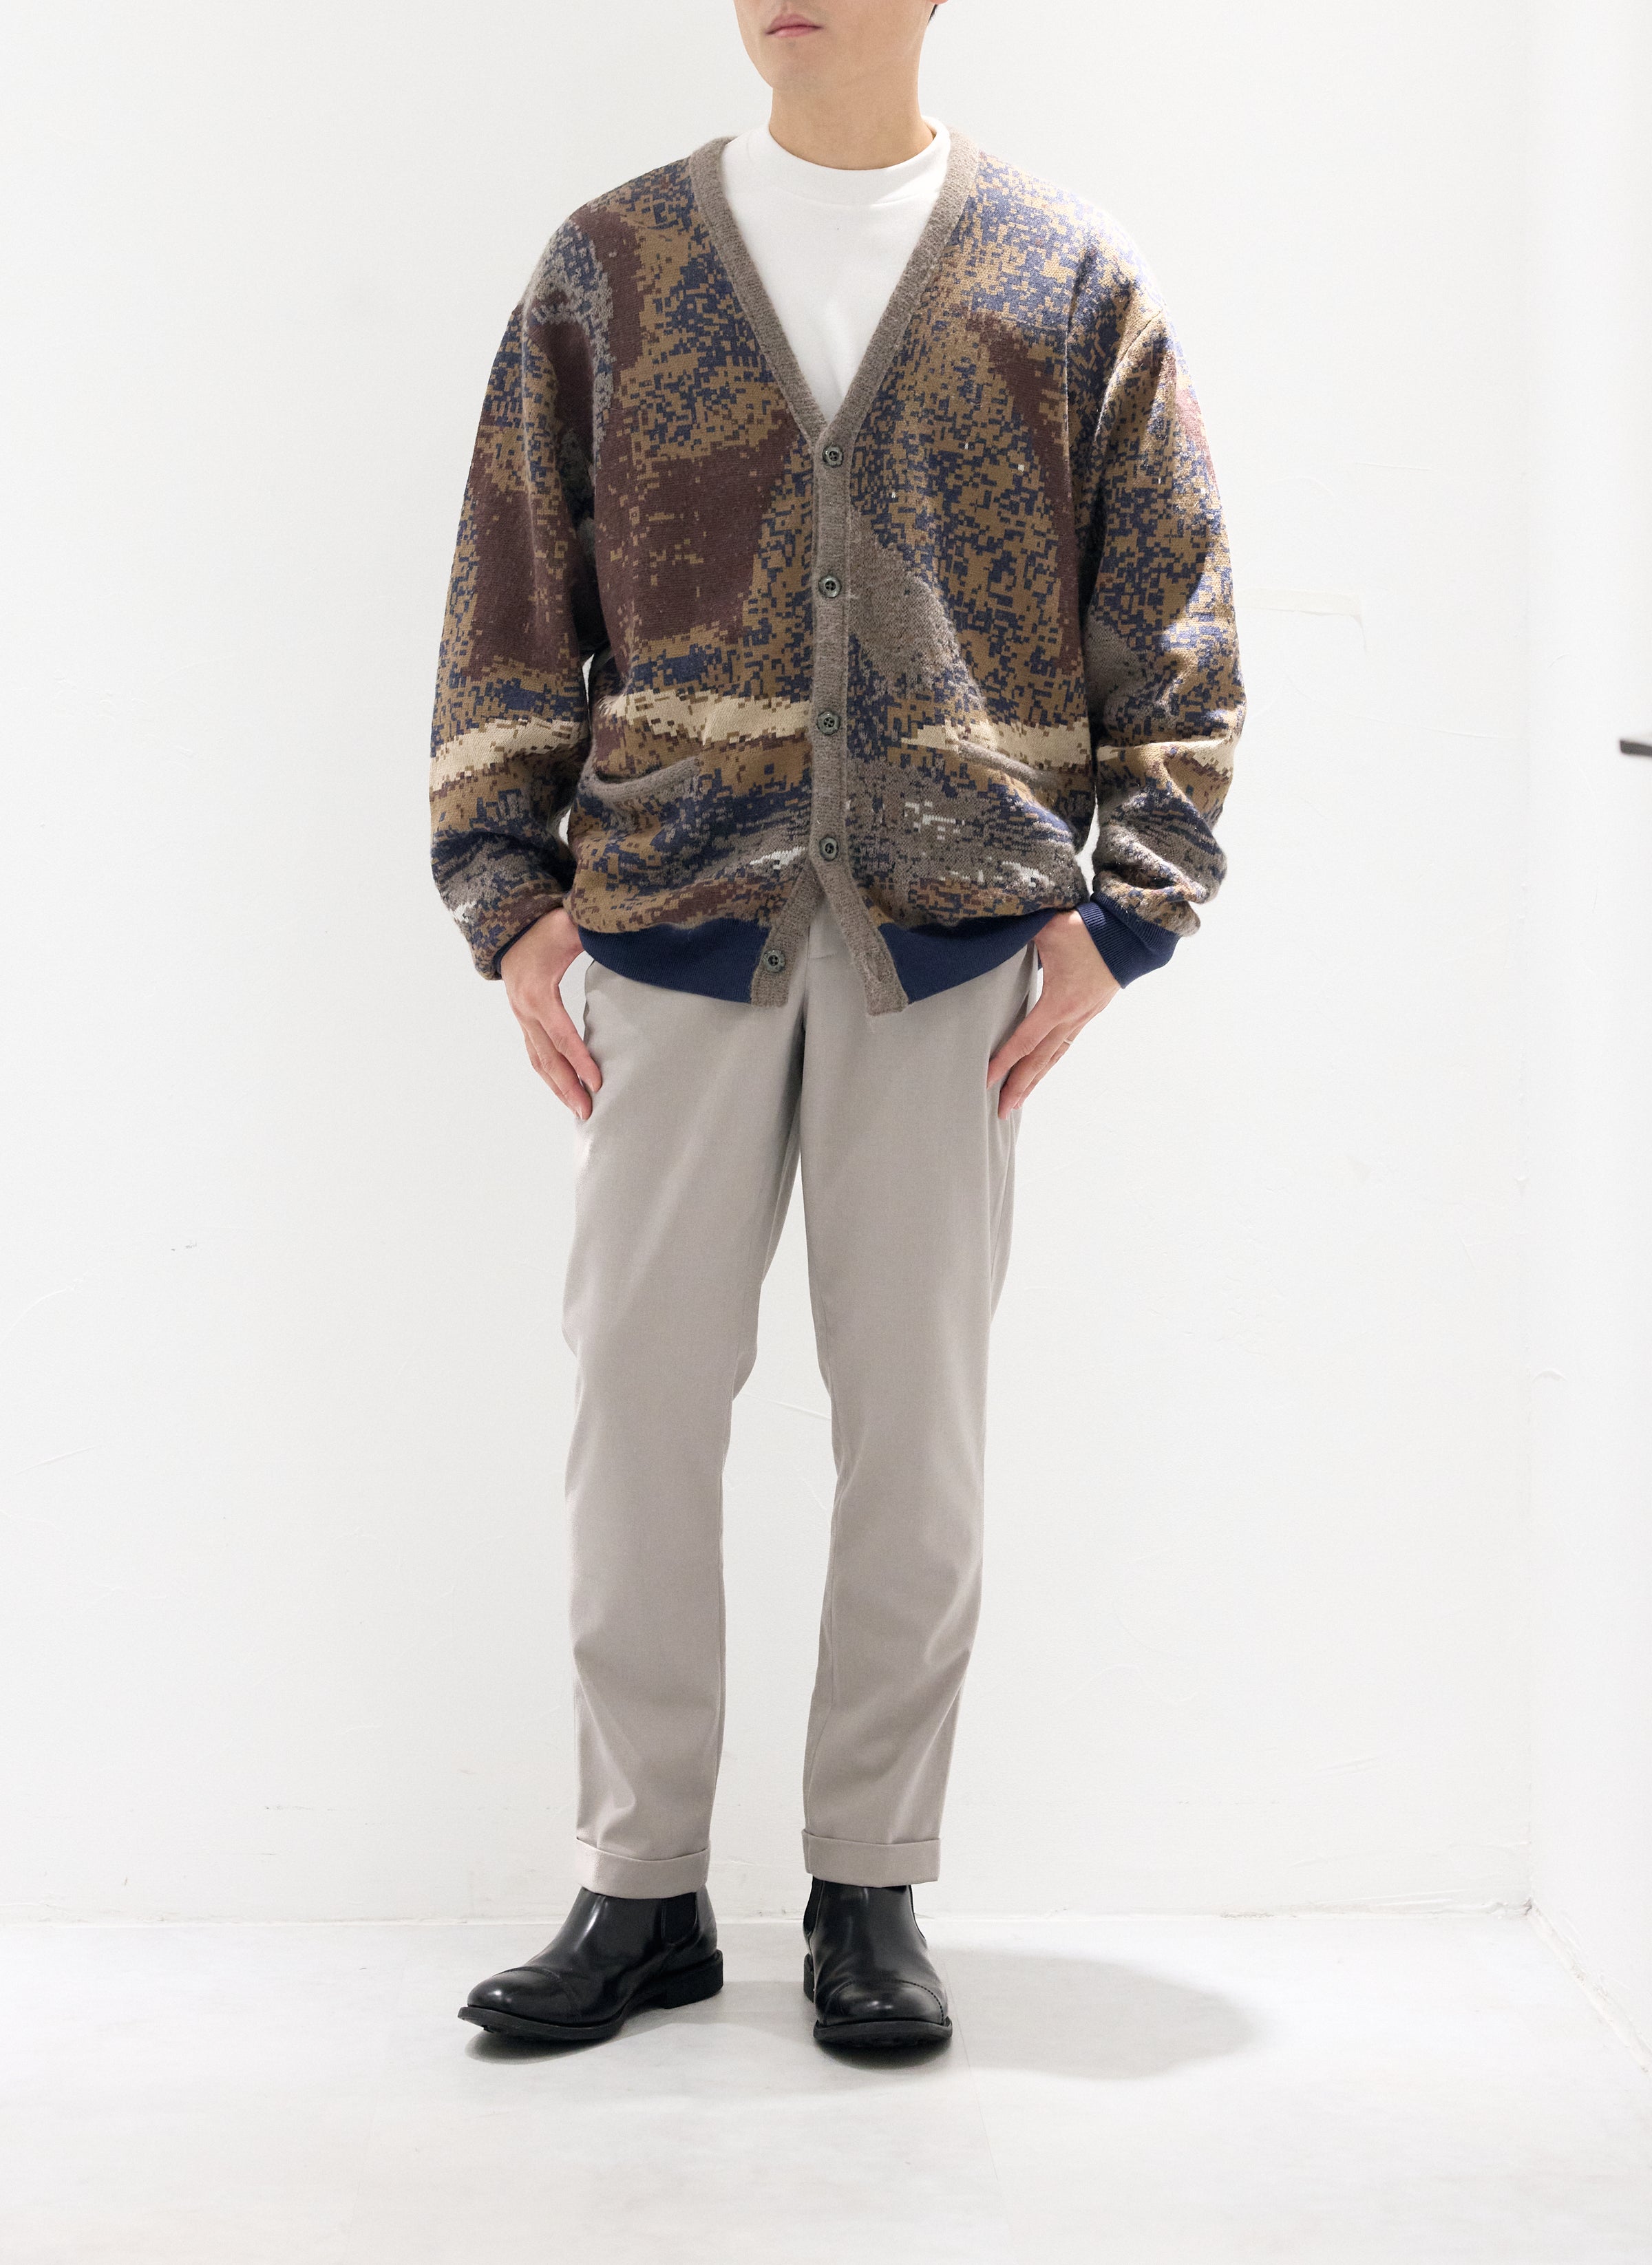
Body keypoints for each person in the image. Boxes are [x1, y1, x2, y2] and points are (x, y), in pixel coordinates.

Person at [431, 0, 1243, 2054]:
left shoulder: (1063, 278)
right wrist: (509, 900)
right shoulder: (612, 266)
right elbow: (512, 588)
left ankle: (870, 1880)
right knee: (637, 1409)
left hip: (949, 946)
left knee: (916, 1433)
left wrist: (1127, 913)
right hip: (671, 922)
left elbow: (1175, 605)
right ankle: (641, 1888)